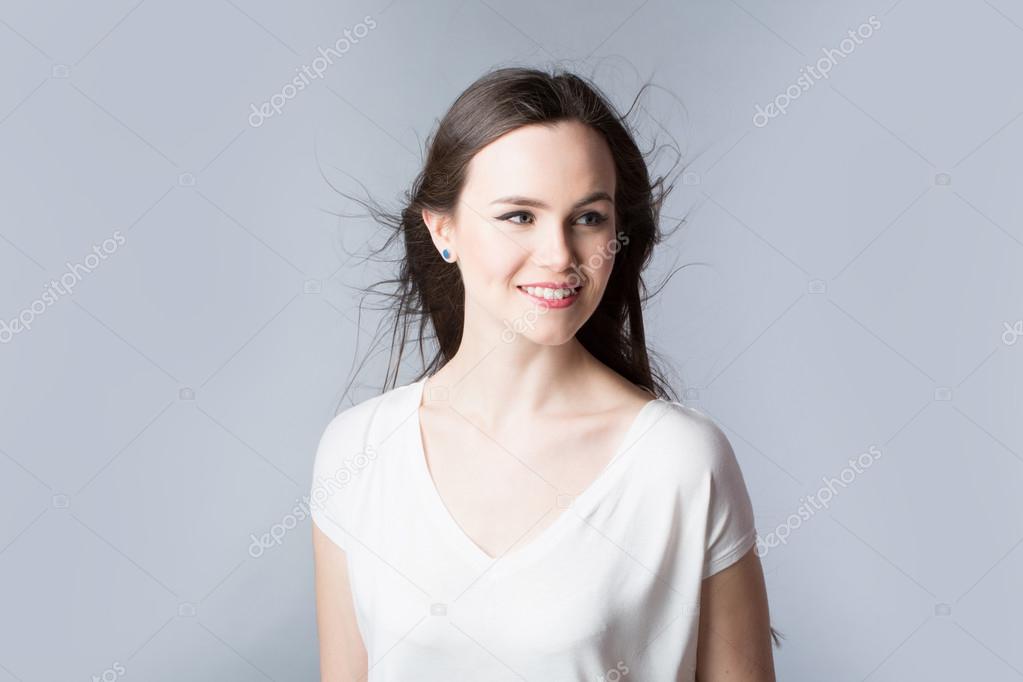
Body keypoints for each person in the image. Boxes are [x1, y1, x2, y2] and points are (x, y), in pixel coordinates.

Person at [311, 66, 777, 681]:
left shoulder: (680, 463)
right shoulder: (359, 451)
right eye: (519, 216)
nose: (559, 256)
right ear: (442, 228)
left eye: (588, 218)